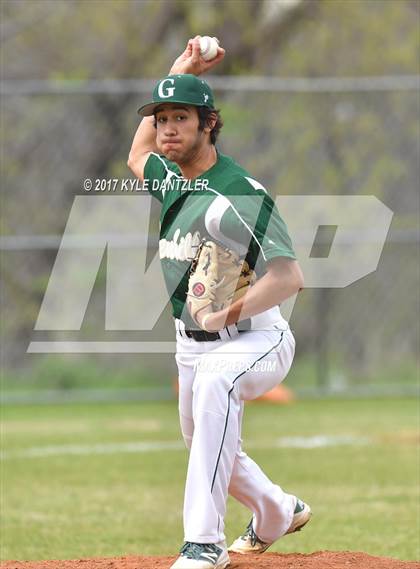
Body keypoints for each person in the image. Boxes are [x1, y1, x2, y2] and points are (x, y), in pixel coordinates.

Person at [128, 36, 311, 569]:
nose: (168, 129)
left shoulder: (238, 193)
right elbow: (137, 154)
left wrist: (227, 313)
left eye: (181, 117)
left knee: (215, 388)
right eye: (161, 118)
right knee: (207, 442)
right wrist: (179, 69)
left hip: (256, 338)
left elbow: (288, 276)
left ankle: (203, 543)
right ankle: (277, 510)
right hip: (191, 345)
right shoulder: (169, 180)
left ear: (210, 124)